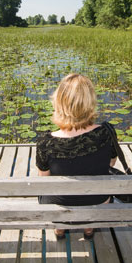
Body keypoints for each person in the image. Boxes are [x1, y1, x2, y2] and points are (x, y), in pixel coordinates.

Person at [36, 73, 118, 240]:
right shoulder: (107, 132)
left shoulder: (45, 142)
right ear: (90, 102)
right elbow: (111, 162)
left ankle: (60, 230)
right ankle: (89, 230)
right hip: (99, 203)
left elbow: (44, 180)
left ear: (59, 102)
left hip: (58, 206)